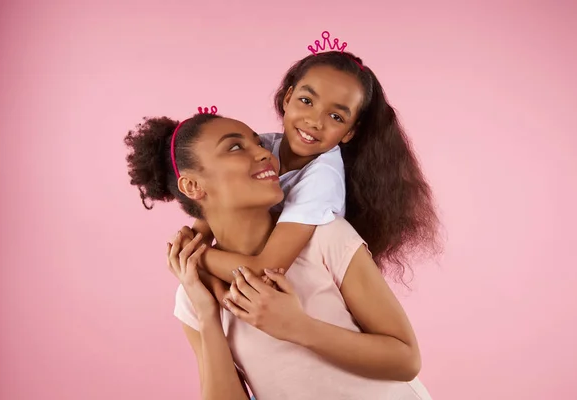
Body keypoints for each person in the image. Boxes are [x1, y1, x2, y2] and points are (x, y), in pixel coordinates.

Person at [124, 111, 433, 399]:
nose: (263, 153)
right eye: (234, 148)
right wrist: (208, 316)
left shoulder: (325, 236)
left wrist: (297, 327)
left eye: (258, 143)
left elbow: (405, 360)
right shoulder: (194, 293)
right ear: (192, 185)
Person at [188, 31, 440, 287]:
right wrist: (195, 235)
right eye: (306, 101)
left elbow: (267, 271)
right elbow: (218, 195)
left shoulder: (323, 178)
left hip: (299, 283)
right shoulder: (263, 146)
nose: (314, 121)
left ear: (349, 132)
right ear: (288, 98)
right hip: (249, 268)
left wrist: (195, 256)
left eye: (336, 117)